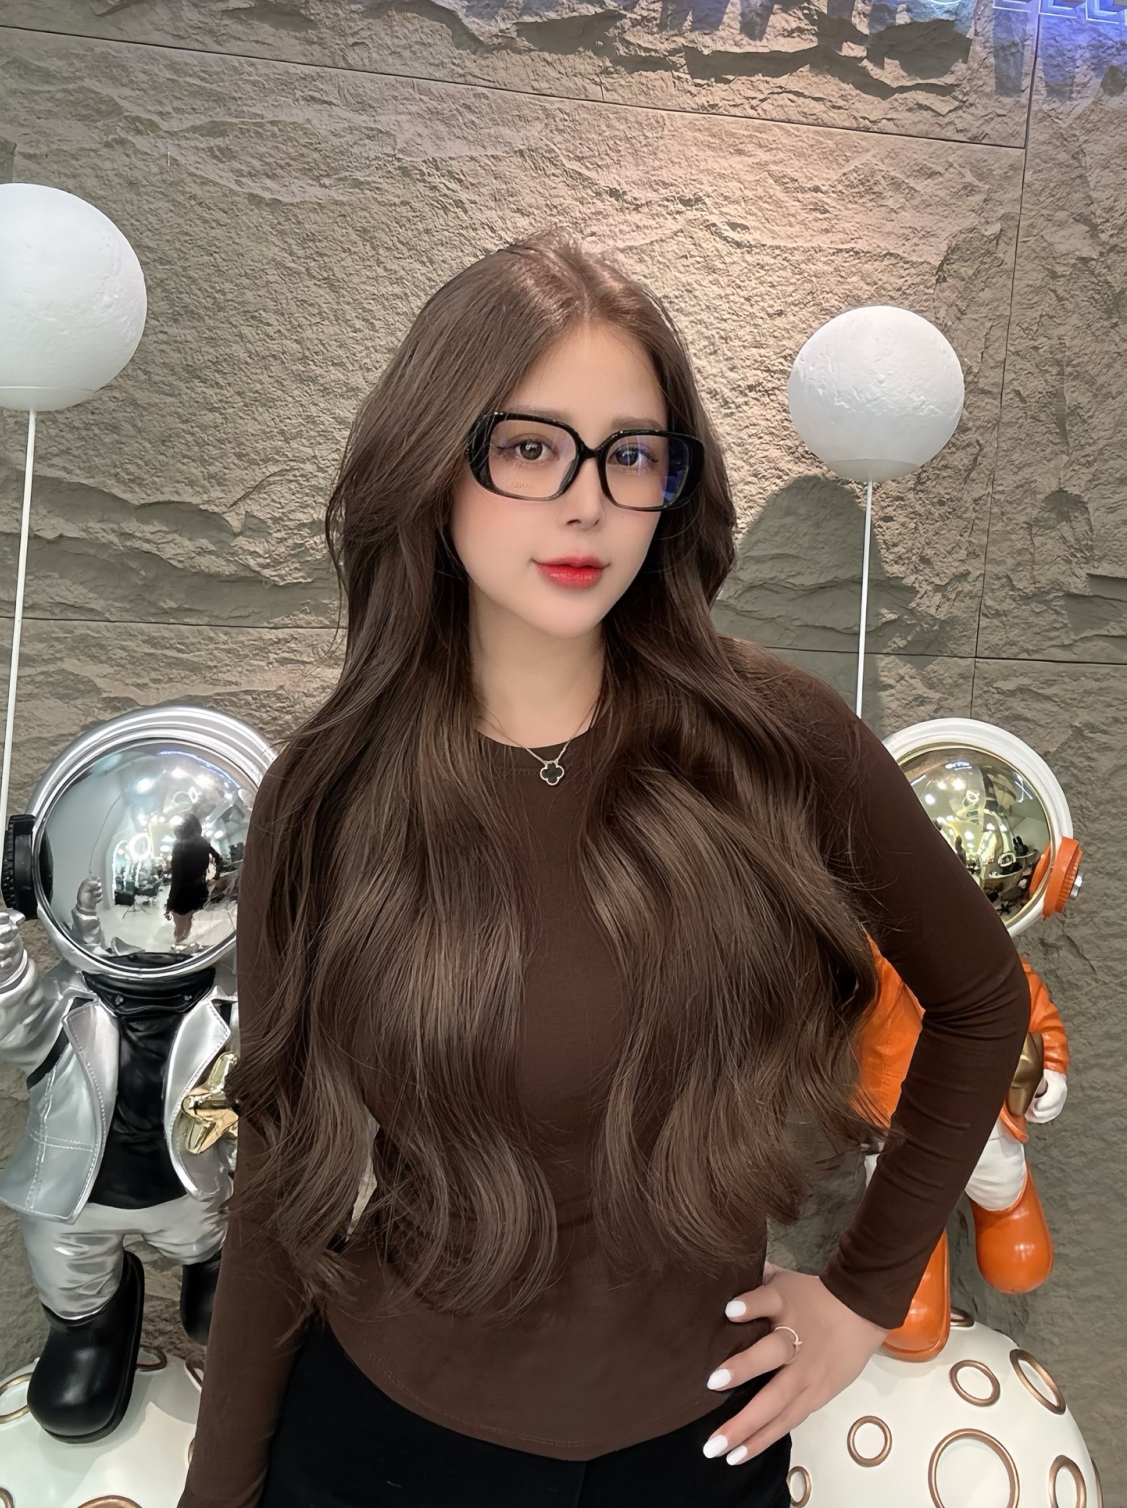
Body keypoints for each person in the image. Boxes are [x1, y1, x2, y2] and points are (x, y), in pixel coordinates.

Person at [177, 230, 1031, 1508]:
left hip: (699, 1451)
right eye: (531, 448)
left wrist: (862, 1295)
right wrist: (217, 1492)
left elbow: (982, 1002)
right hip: (386, 1453)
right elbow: (278, 1177)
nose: (587, 502)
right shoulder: (333, 788)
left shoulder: (770, 740)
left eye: (631, 454)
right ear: (434, 462)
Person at [166, 813, 223, 945]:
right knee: (189, 925)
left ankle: (179, 951)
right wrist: (215, 877)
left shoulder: (179, 847)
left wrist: (169, 904)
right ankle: (187, 946)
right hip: (200, 891)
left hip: (182, 895)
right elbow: (219, 859)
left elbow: (176, 880)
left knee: (179, 931)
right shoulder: (204, 844)